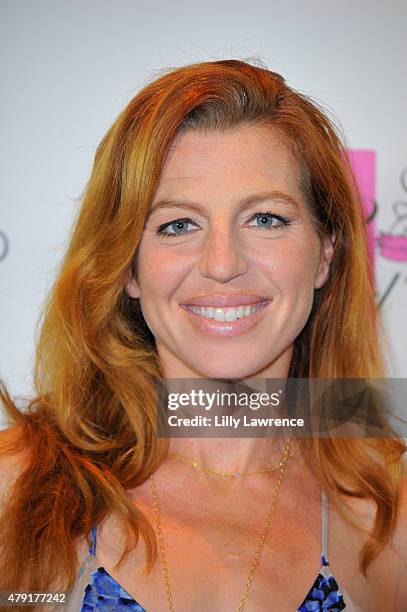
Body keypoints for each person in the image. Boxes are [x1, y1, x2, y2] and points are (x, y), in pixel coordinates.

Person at [0, 58, 406, 612]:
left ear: (325, 253)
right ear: (129, 268)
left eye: (265, 218)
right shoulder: (18, 489)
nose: (221, 264)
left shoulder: (388, 515)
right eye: (178, 225)